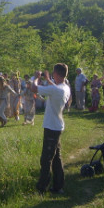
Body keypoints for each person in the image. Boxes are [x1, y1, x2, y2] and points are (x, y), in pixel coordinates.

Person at [31, 63, 71, 194]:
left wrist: (36, 77)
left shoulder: (56, 90)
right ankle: (58, 186)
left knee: (46, 159)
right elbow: (54, 88)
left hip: (51, 127)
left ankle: (42, 187)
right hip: (57, 126)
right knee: (56, 158)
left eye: (53, 73)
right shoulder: (65, 88)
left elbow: (33, 88)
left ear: (56, 74)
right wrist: (48, 79)